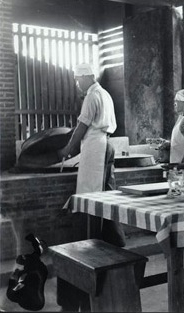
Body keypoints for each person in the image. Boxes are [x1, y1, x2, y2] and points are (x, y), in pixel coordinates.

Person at [56, 63, 126, 311]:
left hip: (95, 146)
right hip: (106, 143)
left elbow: (82, 127)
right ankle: (112, 239)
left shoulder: (92, 96)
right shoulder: (104, 93)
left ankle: (92, 242)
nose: (77, 84)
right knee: (105, 192)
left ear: (87, 77)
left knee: (91, 196)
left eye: (78, 79)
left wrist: (68, 149)